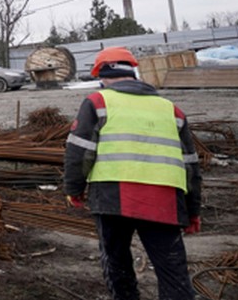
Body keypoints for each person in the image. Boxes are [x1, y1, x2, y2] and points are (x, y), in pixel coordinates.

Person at [64, 46, 202, 300]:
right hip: (163, 201)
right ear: (134, 73)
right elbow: (191, 165)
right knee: (172, 271)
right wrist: (193, 210)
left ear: (101, 75)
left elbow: (80, 151)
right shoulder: (171, 109)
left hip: (111, 198)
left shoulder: (97, 101)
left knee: (117, 263)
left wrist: (73, 189)